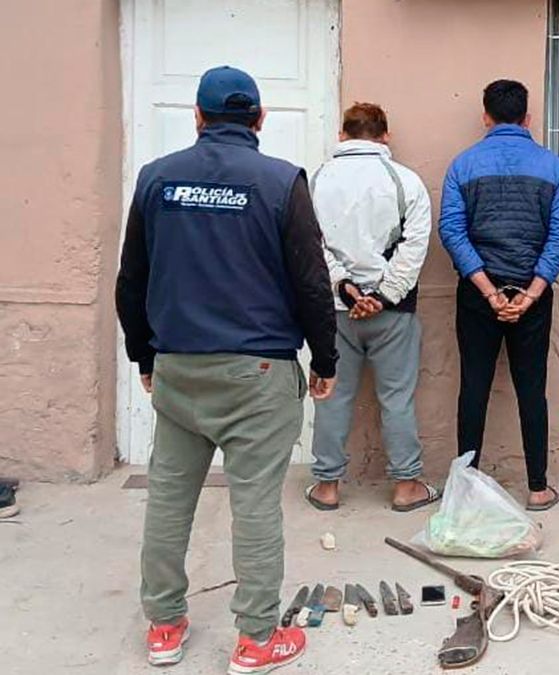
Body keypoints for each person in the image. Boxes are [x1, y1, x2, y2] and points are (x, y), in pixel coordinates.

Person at [115, 66, 337, 673]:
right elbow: (312, 281)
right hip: (258, 374)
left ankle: (164, 627)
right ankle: (257, 640)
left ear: (198, 117)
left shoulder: (157, 179)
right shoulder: (281, 182)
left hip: (180, 367)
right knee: (256, 505)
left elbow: (131, 278)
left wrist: (143, 356)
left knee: (168, 499)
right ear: (259, 120)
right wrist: (325, 358)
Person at [438, 79, 559, 511]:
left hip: (478, 295)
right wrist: (531, 294)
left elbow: (452, 231)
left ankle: (464, 492)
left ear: (486, 117)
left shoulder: (463, 165)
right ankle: (537, 489)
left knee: (473, 388)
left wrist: (487, 290)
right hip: (532, 294)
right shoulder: (553, 168)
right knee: (532, 390)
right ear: (528, 118)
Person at [305, 102, 436, 512]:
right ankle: (406, 486)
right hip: (392, 311)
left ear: (342, 135)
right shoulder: (406, 181)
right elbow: (414, 247)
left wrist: (345, 289)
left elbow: (311, 243)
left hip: (334, 310)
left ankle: (327, 487)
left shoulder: (317, 180)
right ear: (385, 136)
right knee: (397, 398)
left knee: (331, 395)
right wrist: (382, 296)